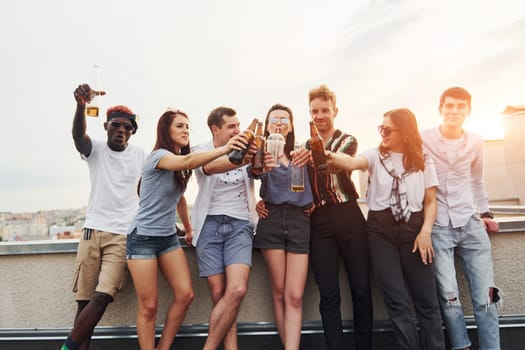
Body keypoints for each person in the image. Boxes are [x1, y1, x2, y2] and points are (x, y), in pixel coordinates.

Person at [125, 108, 246, 350]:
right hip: (143, 238)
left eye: (188, 127)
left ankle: (164, 347)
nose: (185, 130)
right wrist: (226, 148)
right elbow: (190, 160)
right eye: (179, 126)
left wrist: (189, 228)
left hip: (168, 238)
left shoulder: (180, 166)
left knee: (185, 294)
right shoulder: (159, 156)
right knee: (148, 306)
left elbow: (179, 198)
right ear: (165, 130)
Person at [327, 108, 445, 349]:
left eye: (387, 129)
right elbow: (351, 162)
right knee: (396, 302)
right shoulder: (374, 156)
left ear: (404, 131)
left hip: (414, 229)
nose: (382, 133)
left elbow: (430, 201)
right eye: (380, 128)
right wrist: (329, 156)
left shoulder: (423, 159)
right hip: (381, 232)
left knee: (427, 302)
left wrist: (425, 232)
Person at [61, 84, 147, 350]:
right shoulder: (96, 150)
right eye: (115, 125)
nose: (121, 130)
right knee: (84, 303)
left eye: (127, 127)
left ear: (132, 132)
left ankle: (65, 348)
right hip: (91, 232)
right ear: (106, 127)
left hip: (122, 235)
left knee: (102, 296)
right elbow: (78, 137)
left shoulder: (140, 155)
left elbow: (151, 194)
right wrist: (80, 105)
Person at [291, 84, 373, 350]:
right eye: (314, 111)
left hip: (348, 214)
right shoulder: (301, 146)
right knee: (328, 294)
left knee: (360, 288)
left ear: (335, 111)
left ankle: (364, 346)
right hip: (319, 220)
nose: (320, 115)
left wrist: (315, 156)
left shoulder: (347, 140)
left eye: (325, 110)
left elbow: (338, 162)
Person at [421, 87, 501, 350]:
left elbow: (477, 181)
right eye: (450, 106)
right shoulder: (424, 139)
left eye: (460, 106)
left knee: (486, 297)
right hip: (439, 226)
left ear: (468, 110)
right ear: (440, 109)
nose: (454, 111)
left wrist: (486, 212)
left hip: (470, 224)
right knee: (449, 297)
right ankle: (461, 346)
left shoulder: (476, 141)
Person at [191, 106, 258, 350]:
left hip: (240, 224)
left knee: (237, 290)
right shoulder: (200, 150)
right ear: (215, 129)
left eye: (238, 126)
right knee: (220, 294)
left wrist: (259, 159)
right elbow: (209, 168)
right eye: (232, 126)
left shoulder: (249, 148)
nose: (238, 131)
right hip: (208, 225)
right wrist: (233, 151)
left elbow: (259, 172)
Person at [250, 104, 314, 349]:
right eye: (274, 119)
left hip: (299, 221)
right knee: (278, 292)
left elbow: (322, 175)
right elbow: (249, 177)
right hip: (272, 219)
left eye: (284, 120)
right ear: (267, 126)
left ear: (291, 126)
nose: (279, 123)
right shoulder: (261, 154)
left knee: (295, 296)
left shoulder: (303, 152)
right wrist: (255, 203)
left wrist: (315, 202)